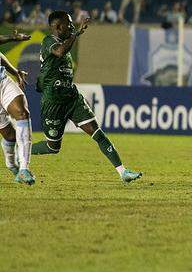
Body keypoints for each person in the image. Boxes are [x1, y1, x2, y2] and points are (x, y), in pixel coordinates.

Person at [30, 12, 142, 183]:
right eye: (68, 23)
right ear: (58, 27)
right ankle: (20, 148)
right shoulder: (49, 41)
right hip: (53, 101)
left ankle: (123, 172)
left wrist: (74, 35)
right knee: (52, 147)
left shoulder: (66, 43)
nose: (72, 26)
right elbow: (59, 52)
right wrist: (76, 34)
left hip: (72, 98)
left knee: (97, 133)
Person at [0, 30, 36, 185]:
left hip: (2, 82)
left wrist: (15, 72)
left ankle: (23, 169)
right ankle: (11, 164)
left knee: (23, 114)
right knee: (10, 136)